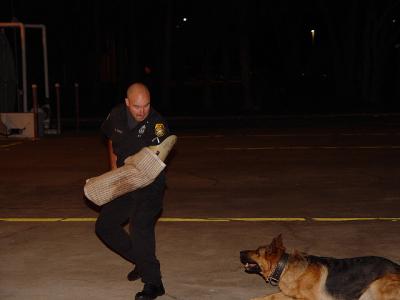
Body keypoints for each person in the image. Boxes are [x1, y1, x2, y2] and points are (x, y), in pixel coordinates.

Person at [95, 82, 169, 300]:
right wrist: (112, 171)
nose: (142, 111)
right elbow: (110, 139)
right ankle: (141, 260)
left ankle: (154, 283)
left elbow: (160, 155)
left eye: (146, 106)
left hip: (150, 183)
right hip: (124, 181)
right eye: (137, 106)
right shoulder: (116, 115)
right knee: (104, 226)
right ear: (127, 103)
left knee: (139, 224)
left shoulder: (158, 125)